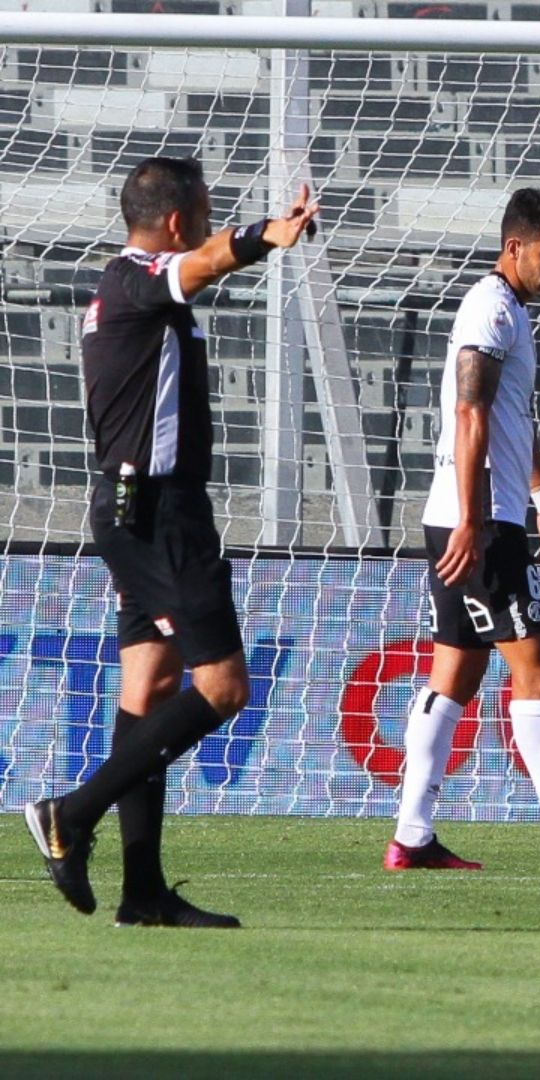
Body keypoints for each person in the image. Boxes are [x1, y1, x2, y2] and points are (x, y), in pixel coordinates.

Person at [24, 156, 318, 925]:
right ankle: (71, 813)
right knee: (223, 688)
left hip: (136, 510)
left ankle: (143, 893)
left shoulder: (134, 288)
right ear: (181, 220)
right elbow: (209, 260)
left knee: (149, 691)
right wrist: (267, 235)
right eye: (208, 210)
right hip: (158, 512)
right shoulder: (136, 278)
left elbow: (199, 263)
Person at [385, 188, 540, 875]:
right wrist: (474, 520)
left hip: (481, 514)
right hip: (478, 523)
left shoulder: (513, 313)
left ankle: (411, 834)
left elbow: (508, 422)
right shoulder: (491, 309)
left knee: (457, 670)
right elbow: (470, 418)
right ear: (515, 247)